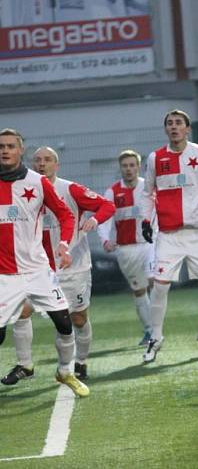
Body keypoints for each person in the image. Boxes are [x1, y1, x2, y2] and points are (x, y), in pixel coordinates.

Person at [2, 146, 115, 383]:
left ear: (57, 165)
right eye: (37, 160)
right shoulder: (21, 189)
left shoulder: (70, 189)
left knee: (77, 319)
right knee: (21, 313)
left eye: (47, 160)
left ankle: (80, 362)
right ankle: (25, 365)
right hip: (36, 268)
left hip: (72, 268)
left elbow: (107, 206)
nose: (41, 163)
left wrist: (94, 219)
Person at [0, 129, 88, 397]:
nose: (5, 150)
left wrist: (63, 245)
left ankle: (66, 371)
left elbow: (65, 215)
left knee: (64, 323)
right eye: (1, 146)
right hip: (4, 275)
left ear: (21, 150)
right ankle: (26, 365)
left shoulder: (38, 182)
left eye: (10, 146)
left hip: (39, 271)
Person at [140, 109, 198, 363]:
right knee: (159, 286)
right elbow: (148, 193)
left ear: (188, 128)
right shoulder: (155, 158)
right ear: (166, 129)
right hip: (168, 236)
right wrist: (145, 220)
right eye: (169, 123)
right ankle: (155, 337)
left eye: (179, 123)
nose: (174, 127)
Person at [98, 150, 156, 345]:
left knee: (155, 281)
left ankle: (157, 328)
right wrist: (105, 240)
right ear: (120, 168)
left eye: (132, 165)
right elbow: (103, 219)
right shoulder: (112, 192)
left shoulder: (148, 187)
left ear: (138, 167)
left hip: (150, 244)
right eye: (125, 166)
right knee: (139, 290)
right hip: (126, 249)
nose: (129, 169)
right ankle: (149, 330)